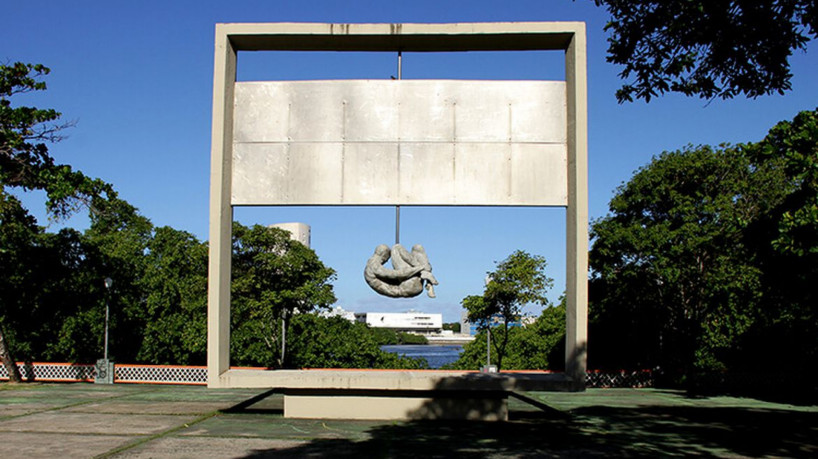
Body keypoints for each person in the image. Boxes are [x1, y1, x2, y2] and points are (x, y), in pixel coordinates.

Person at [363, 244, 438, 298]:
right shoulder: (374, 266)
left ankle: (427, 279)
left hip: (411, 284)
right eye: (387, 259)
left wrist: (420, 268)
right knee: (396, 248)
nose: (386, 261)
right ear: (383, 256)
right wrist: (421, 267)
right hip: (406, 287)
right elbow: (397, 274)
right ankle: (425, 272)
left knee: (417, 248)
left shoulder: (373, 265)